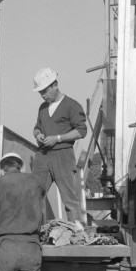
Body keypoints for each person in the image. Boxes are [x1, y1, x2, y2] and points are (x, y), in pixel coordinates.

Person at [31, 67, 87, 227]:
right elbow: (36, 128)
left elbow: (82, 131)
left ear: (55, 85)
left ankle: (78, 232)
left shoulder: (72, 105)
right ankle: (30, 232)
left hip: (63, 156)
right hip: (42, 157)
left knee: (69, 199)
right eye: (40, 92)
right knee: (33, 195)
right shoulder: (42, 108)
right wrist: (38, 135)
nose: (42, 95)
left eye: (44, 91)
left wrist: (58, 138)